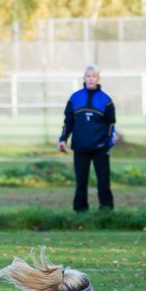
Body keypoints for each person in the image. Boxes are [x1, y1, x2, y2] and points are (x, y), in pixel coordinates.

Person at [58, 65, 115, 212]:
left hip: (100, 148)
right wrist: (63, 138)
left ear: (98, 79)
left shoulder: (106, 100)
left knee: (103, 181)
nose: (91, 79)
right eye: (88, 76)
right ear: (84, 78)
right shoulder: (75, 98)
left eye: (94, 76)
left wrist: (107, 143)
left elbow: (111, 124)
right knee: (81, 181)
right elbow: (68, 121)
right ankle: (80, 210)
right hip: (80, 147)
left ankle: (106, 210)